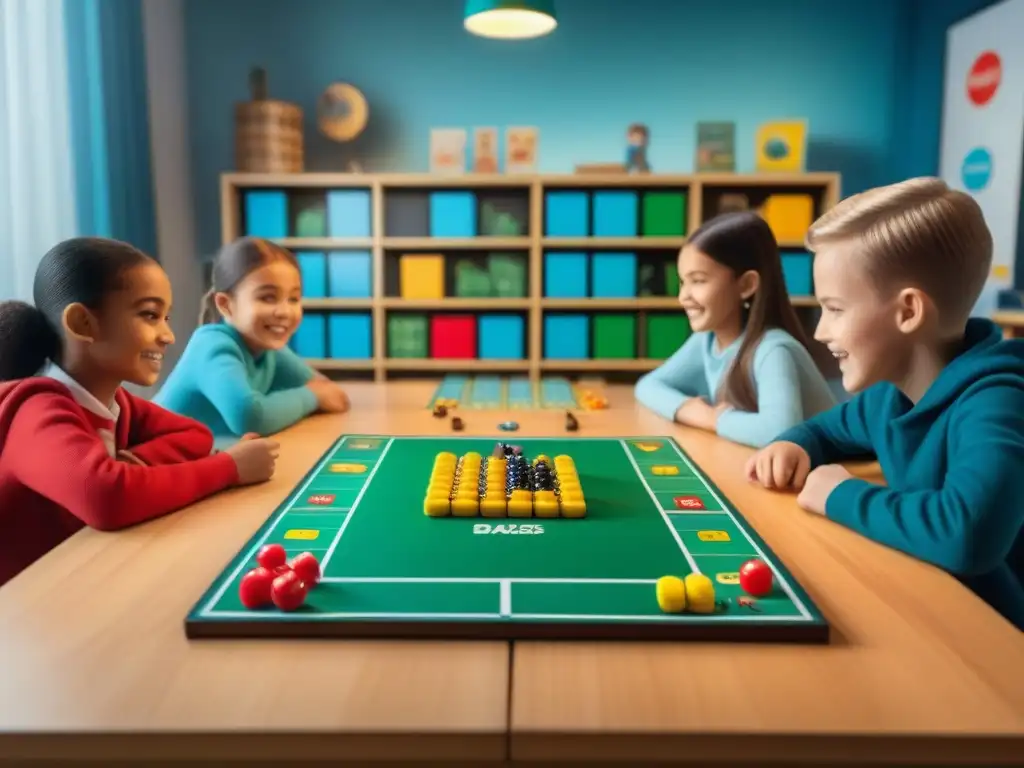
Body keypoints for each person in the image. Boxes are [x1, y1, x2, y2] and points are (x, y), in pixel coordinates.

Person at [746, 177, 1024, 630]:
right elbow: (823, 431)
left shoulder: (995, 402)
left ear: (908, 312)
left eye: (834, 309)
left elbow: (969, 535)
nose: (819, 331)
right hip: (929, 608)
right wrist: (793, 445)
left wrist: (840, 494)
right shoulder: (888, 398)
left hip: (998, 643)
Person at [0, 237, 279, 588]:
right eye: (149, 315)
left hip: (75, 579)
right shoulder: (37, 411)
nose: (168, 335)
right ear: (83, 323)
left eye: (166, 317)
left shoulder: (115, 402)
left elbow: (194, 435)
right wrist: (230, 468)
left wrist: (132, 464)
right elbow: (106, 497)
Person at [634, 211, 835, 448]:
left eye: (698, 280)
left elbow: (780, 433)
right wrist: (692, 410)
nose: (683, 297)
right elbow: (648, 385)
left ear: (746, 285)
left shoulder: (773, 349)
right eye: (682, 282)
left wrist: (712, 418)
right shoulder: (706, 340)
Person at [155, 237, 348, 446]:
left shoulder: (267, 348)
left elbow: (333, 395)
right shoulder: (213, 345)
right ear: (226, 305)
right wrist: (312, 397)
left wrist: (315, 394)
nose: (284, 311)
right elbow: (249, 417)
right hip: (144, 462)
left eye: (293, 299)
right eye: (267, 297)